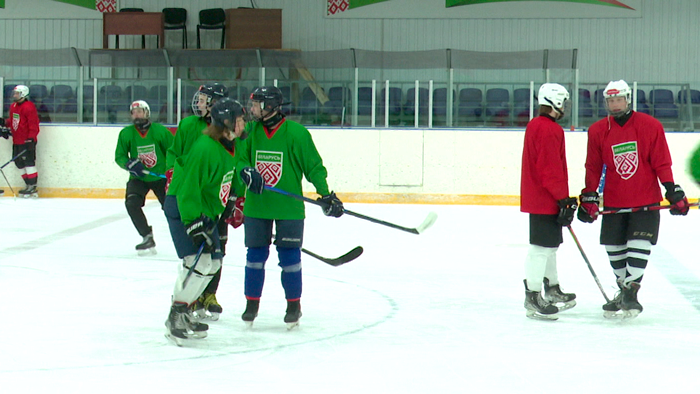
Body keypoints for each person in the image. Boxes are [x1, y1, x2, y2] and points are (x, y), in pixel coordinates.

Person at [577, 79, 689, 319]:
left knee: (639, 244)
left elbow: (661, 161)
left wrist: (671, 189)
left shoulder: (650, 125)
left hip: (645, 199)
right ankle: (626, 291)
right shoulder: (598, 130)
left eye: (618, 99)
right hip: (615, 200)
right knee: (614, 248)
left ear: (628, 99)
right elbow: (593, 166)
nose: (615, 104)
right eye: (610, 100)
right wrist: (590, 195)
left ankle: (630, 292)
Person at [236, 86, 344, 330]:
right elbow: (239, 157)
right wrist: (246, 170)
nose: (252, 109)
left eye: (256, 104)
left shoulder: (297, 133)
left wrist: (325, 194)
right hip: (257, 206)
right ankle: (251, 304)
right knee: (254, 258)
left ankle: (293, 305)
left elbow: (313, 167)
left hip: (289, 209)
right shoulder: (250, 132)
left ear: (270, 107)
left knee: (290, 259)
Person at [163, 98, 247, 345]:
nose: (244, 125)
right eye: (240, 120)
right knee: (197, 262)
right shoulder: (205, 148)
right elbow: (189, 189)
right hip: (183, 208)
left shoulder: (229, 145)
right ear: (226, 123)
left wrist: (232, 200)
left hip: (204, 211)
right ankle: (176, 315)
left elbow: (224, 180)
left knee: (213, 264)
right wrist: (193, 222)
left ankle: (185, 310)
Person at [165, 83, 233, 320]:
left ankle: (208, 295)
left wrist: (235, 196)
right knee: (197, 258)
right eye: (200, 99)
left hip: (214, 200)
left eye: (205, 99)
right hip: (192, 199)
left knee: (215, 255)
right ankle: (186, 305)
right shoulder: (188, 125)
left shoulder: (227, 133)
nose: (199, 103)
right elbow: (174, 153)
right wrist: (172, 171)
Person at [520, 83, 577, 321]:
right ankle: (532, 295)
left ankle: (551, 289)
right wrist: (562, 198)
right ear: (557, 103)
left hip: (545, 198)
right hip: (546, 198)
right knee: (541, 249)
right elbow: (549, 168)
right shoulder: (548, 130)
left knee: (550, 247)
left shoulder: (537, 125)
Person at [114, 100, 173, 255]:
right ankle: (146, 236)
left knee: (171, 208)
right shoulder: (126, 133)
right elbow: (119, 156)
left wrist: (171, 171)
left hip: (161, 177)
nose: (137, 114)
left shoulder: (160, 131)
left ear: (147, 113)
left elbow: (173, 152)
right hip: (138, 177)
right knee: (131, 203)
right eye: (134, 112)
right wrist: (128, 164)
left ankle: (186, 235)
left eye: (140, 111)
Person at [1, 85, 40, 198]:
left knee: (29, 162)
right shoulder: (13, 106)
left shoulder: (29, 107)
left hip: (27, 141)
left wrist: (31, 138)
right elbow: (14, 121)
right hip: (16, 140)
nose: (14, 95)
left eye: (17, 93)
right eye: (14, 93)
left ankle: (32, 186)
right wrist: (4, 122)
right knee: (19, 163)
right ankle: (27, 185)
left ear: (23, 94)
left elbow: (34, 124)